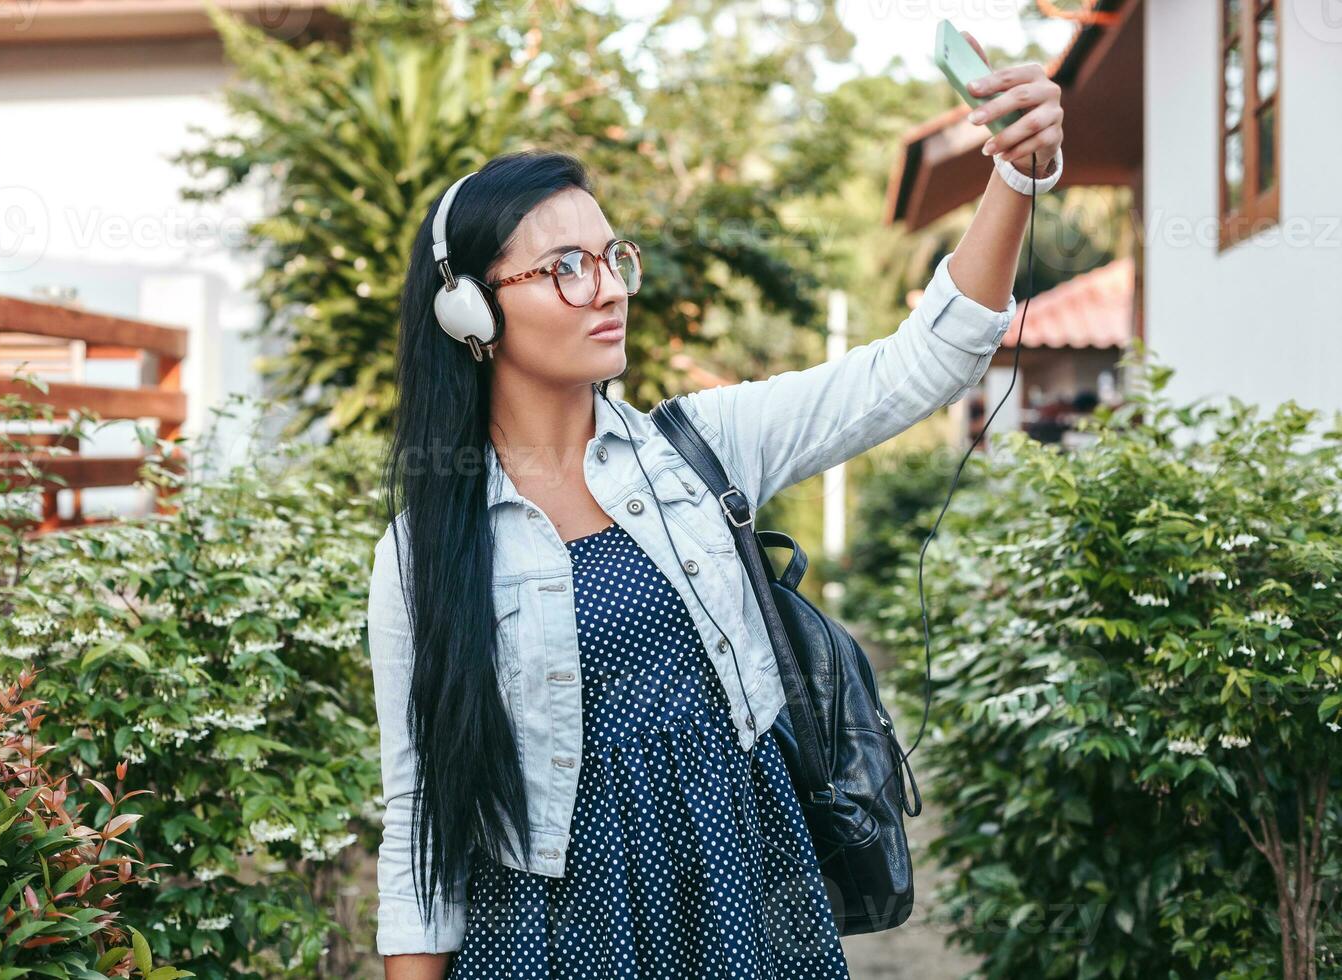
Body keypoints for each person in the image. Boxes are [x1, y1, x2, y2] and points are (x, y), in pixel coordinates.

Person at [369, 57, 1065, 980]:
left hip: (738, 885)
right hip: (546, 930)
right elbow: (419, 813)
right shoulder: (425, 552)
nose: (610, 288)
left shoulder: (697, 450)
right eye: (564, 268)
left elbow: (918, 366)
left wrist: (1014, 176)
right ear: (469, 310)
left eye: (612, 258)